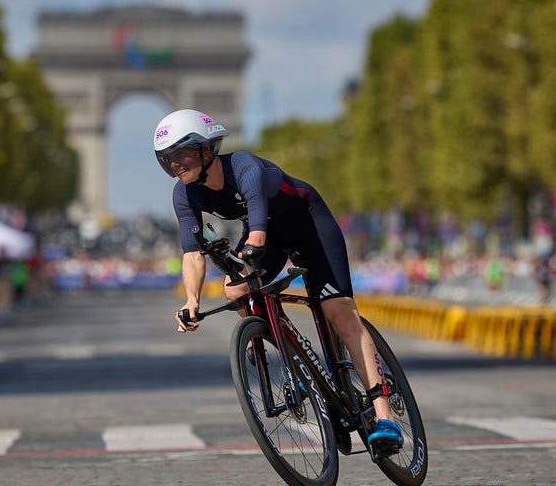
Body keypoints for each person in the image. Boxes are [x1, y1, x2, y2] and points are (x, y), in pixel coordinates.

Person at [154, 109, 403, 453]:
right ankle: (289, 354)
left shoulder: (243, 166)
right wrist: (191, 301)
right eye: (167, 159)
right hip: (269, 236)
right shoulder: (184, 194)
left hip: (309, 225)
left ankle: (384, 415)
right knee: (235, 288)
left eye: (181, 154)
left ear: (206, 149)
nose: (175, 165)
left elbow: (256, 221)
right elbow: (192, 253)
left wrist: (253, 247)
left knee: (340, 314)